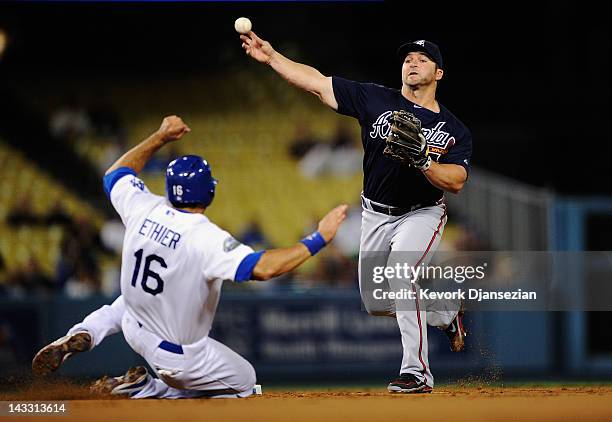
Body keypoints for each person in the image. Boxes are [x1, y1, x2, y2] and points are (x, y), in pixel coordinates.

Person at [32, 116, 347, 399]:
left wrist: (160, 137)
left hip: (133, 324)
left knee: (127, 301)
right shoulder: (205, 236)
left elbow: (115, 174)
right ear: (209, 192)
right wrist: (319, 238)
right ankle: (148, 389)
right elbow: (263, 269)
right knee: (245, 384)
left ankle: (84, 332)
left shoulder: (143, 206)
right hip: (176, 358)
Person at [240, 33, 471, 393]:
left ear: (438, 73)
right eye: (408, 58)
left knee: (400, 273)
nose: (412, 62)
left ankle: (417, 374)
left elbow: (455, 181)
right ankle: (444, 313)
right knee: (376, 302)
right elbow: (316, 83)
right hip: (375, 214)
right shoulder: (374, 97)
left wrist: (424, 160)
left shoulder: (452, 129)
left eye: (422, 59)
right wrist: (271, 57)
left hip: (421, 213)